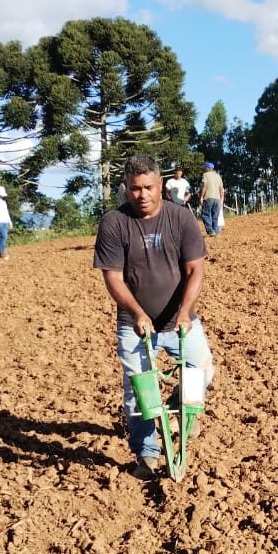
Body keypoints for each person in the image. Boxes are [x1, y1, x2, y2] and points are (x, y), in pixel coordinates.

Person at [93, 153, 215, 475]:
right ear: (126, 188)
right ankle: (146, 453)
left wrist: (185, 313)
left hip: (180, 321)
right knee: (139, 389)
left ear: (160, 185)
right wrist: (136, 313)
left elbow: (195, 271)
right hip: (134, 325)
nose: (142, 195)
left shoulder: (181, 219)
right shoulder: (114, 223)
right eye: (135, 188)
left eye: (148, 187)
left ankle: (179, 411)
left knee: (201, 370)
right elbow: (113, 278)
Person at [200, 162, 225, 236]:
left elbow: (204, 186)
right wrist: (221, 198)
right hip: (217, 199)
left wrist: (201, 196)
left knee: (206, 214)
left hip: (208, 197)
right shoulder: (218, 176)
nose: (205, 169)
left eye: (205, 168)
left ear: (208, 168)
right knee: (215, 216)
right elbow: (221, 188)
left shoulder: (205, 175)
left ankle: (210, 231)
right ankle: (216, 232)